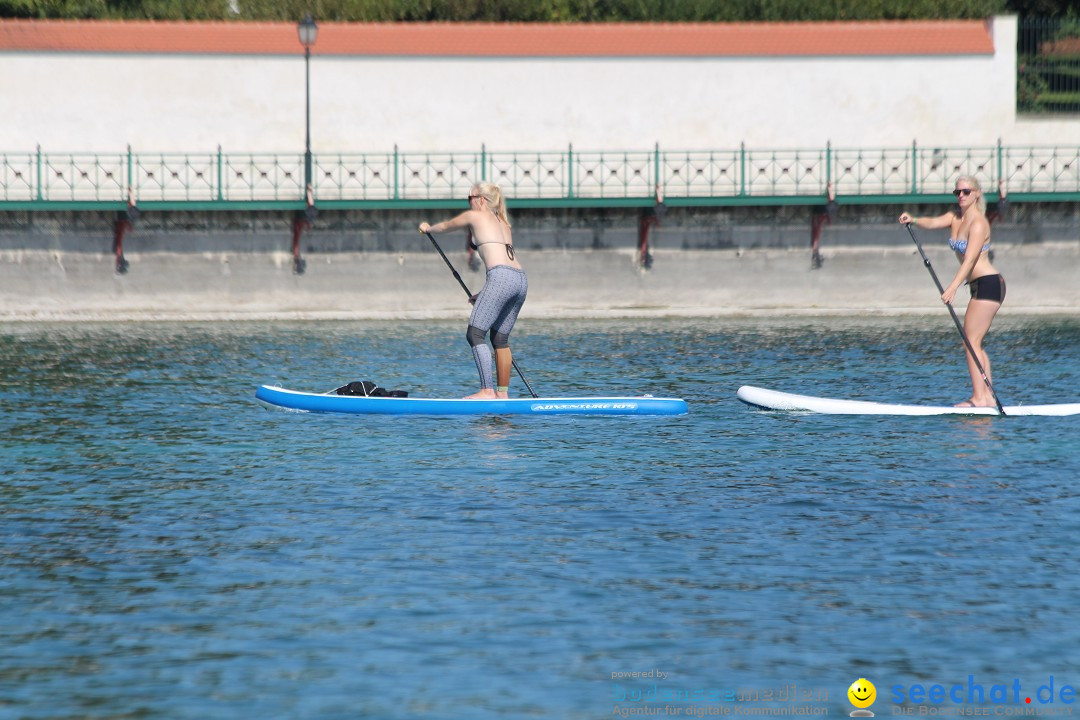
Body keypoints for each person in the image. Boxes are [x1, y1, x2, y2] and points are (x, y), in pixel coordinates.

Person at [899, 176, 1006, 408]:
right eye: (957, 192)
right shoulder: (955, 217)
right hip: (979, 286)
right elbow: (933, 222)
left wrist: (952, 287)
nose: (961, 196)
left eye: (966, 192)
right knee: (975, 342)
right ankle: (987, 397)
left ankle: (980, 398)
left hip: (989, 283)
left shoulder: (978, 223)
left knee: (970, 341)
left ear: (976, 193)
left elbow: (969, 261)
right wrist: (914, 219)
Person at [420, 182, 527, 400]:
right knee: (500, 339)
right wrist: (486, 292)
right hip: (520, 280)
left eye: (468, 198)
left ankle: (487, 391)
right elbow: (504, 264)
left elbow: (448, 225)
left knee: (475, 333)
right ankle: (502, 395)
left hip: (501, 279)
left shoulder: (475, 216)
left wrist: (428, 228)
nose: (468, 203)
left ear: (480, 199)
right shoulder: (504, 222)